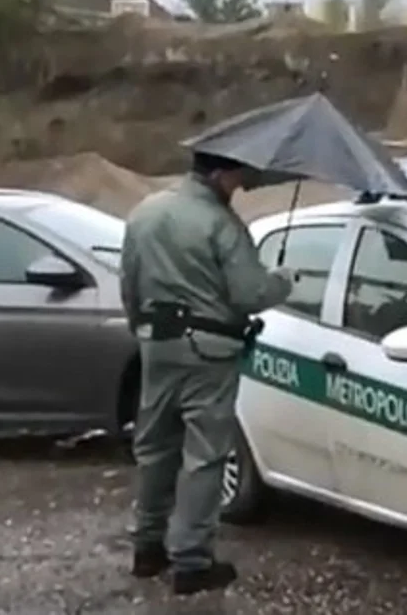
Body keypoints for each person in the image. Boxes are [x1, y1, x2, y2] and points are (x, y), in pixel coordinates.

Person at [119, 151, 295, 595]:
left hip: (156, 342)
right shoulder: (221, 223)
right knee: (204, 455)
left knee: (156, 446)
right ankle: (191, 561)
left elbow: (129, 284)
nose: (244, 183)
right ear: (221, 172)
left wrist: (144, 332)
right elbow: (250, 293)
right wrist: (283, 280)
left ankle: (147, 548)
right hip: (208, 351)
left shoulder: (145, 212)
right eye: (240, 175)